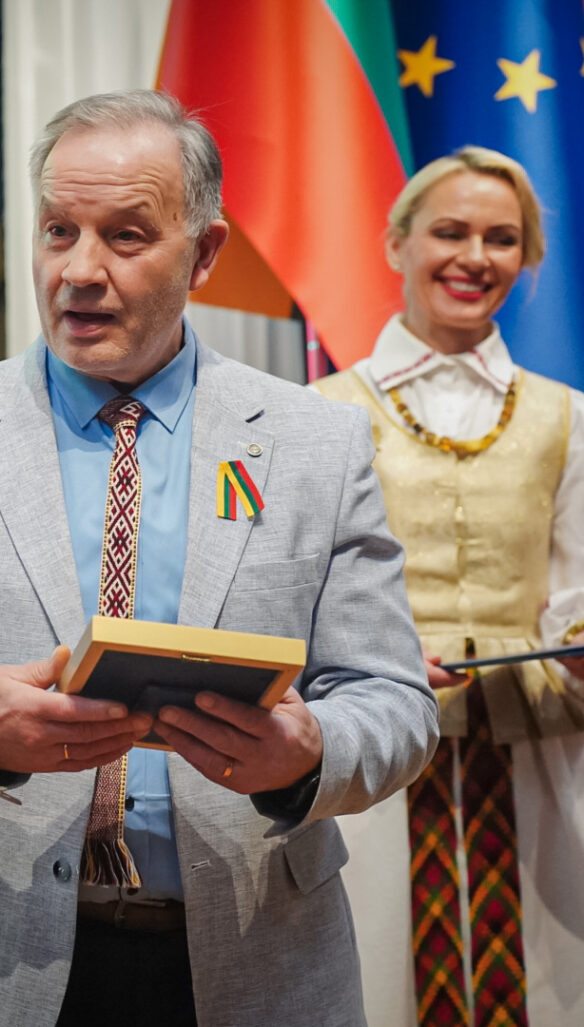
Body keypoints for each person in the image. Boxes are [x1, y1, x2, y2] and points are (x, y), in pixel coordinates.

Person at [0, 89, 439, 1027]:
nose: (79, 270)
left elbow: (396, 701)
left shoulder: (316, 442)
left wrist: (309, 754)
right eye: (58, 230)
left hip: (259, 961)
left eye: (126, 236)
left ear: (205, 253)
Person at [315, 147, 584, 1027]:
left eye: (502, 239)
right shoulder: (316, 412)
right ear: (397, 243)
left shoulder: (568, 414)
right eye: (451, 231)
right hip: (375, 752)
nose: (475, 256)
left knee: (544, 980)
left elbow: (576, 585)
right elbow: (286, 593)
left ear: (526, 258)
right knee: (381, 975)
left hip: (533, 748)